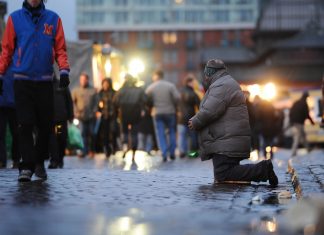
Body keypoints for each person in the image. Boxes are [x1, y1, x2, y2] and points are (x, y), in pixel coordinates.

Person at [0, 0, 70, 181]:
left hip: (45, 81)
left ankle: (39, 162)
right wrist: (0, 73)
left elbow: (60, 48)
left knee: (46, 125)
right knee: (25, 124)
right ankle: (27, 167)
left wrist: (63, 70)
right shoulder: (15, 19)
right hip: (22, 81)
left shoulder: (53, 19)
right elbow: (6, 50)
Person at [188, 59, 278, 186]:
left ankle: (263, 169)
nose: (205, 76)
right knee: (224, 173)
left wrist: (195, 121)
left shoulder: (222, 85)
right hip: (227, 138)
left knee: (223, 174)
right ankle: (262, 170)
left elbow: (210, 110)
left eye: (207, 72)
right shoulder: (225, 83)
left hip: (226, 139)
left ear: (211, 72)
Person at [145, 70, 180, 162]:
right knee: (172, 132)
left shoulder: (151, 87)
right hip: (170, 112)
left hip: (158, 112)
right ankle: (172, 153)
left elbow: (145, 98)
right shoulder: (170, 86)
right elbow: (177, 97)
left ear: (156, 76)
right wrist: (173, 105)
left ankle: (164, 153)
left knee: (160, 133)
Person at [114, 74, 146, 161]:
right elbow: (145, 100)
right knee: (134, 134)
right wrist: (142, 109)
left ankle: (124, 146)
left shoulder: (121, 90)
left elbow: (115, 101)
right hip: (136, 113)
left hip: (124, 113)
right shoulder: (139, 90)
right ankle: (134, 154)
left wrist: (118, 110)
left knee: (124, 132)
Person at [48, 76, 73, 169]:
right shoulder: (44, 85)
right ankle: (54, 160)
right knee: (52, 139)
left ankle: (60, 158)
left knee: (61, 137)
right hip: (49, 119)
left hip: (60, 118)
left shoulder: (61, 84)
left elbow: (68, 100)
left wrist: (70, 115)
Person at [72, 73, 97, 158]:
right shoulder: (76, 90)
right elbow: (73, 102)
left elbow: (97, 102)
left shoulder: (93, 90)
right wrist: (75, 112)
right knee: (82, 134)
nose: (83, 81)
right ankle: (83, 151)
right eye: (81, 79)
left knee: (92, 134)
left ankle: (91, 151)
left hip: (91, 116)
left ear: (87, 80)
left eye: (84, 79)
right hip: (81, 116)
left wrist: (94, 111)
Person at [0, 67, 20, 169]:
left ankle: (16, 159)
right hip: (4, 105)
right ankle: (2, 160)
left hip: (14, 105)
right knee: (1, 134)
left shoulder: (16, 63)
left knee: (16, 134)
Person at [177, 75, 200, 158]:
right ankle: (192, 154)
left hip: (181, 118)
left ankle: (182, 152)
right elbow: (200, 106)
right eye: (193, 82)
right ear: (189, 83)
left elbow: (176, 104)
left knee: (181, 136)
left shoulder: (179, 92)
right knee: (192, 136)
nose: (194, 84)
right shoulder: (194, 93)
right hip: (191, 117)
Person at [97, 78, 118, 158]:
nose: (105, 85)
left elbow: (117, 104)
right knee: (105, 133)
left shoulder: (114, 93)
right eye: (104, 84)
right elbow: (97, 103)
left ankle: (113, 146)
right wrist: (99, 109)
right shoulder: (100, 93)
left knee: (113, 131)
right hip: (104, 116)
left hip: (113, 115)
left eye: (107, 84)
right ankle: (107, 149)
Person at [289, 91, 315, 157]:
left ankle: (308, 149)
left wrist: (291, 121)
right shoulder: (304, 104)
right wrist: (312, 122)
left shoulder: (296, 102)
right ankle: (293, 153)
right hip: (299, 123)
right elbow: (307, 114)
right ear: (306, 97)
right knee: (298, 137)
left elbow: (291, 112)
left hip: (295, 122)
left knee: (302, 136)